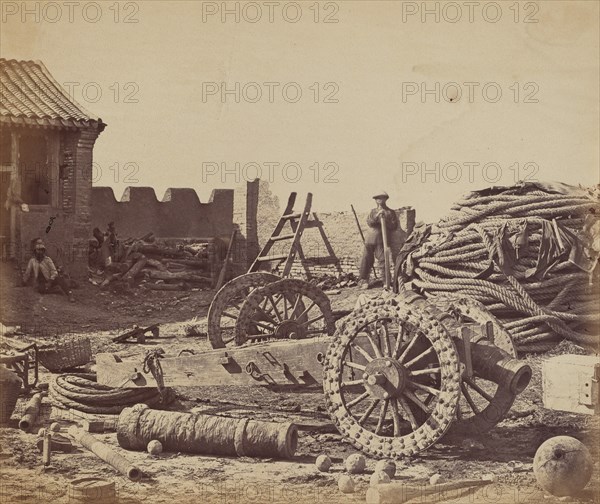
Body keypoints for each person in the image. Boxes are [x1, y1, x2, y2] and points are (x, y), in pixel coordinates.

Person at [358, 191, 399, 289]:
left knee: (383, 260)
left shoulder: (390, 212)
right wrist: (377, 216)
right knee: (366, 259)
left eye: (381, 198)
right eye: (377, 198)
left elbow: (394, 226)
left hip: (382, 240)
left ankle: (386, 281)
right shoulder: (373, 211)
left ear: (386, 199)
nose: (379, 200)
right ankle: (363, 281)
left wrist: (385, 219)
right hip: (370, 239)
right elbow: (370, 222)